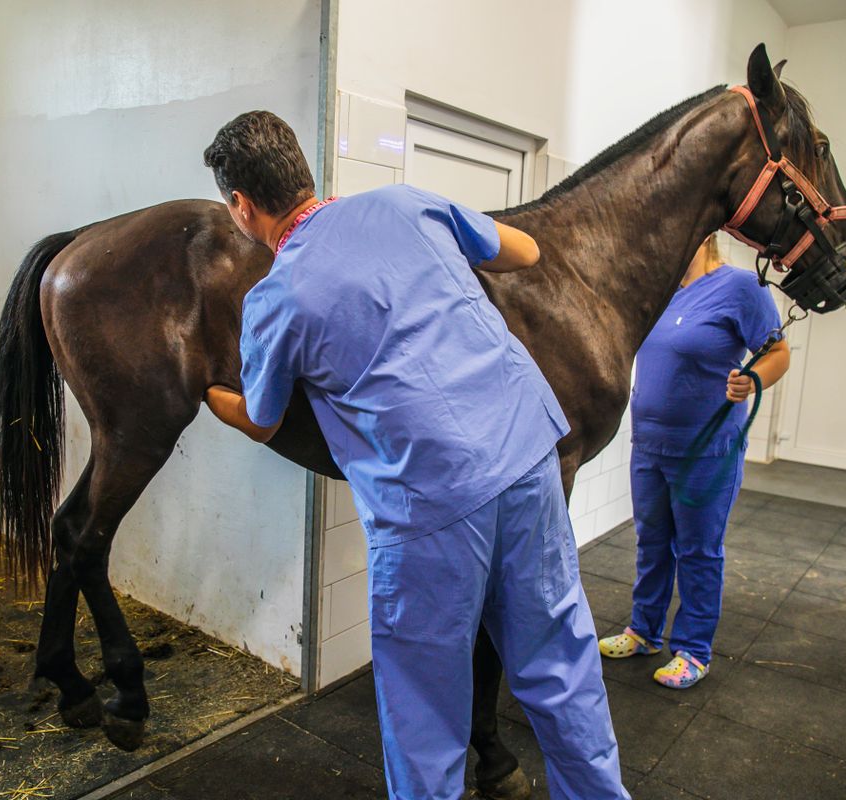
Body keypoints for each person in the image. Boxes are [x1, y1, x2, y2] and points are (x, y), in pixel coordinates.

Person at [201, 110, 629, 800]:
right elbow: (524, 252)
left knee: (425, 706)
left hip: (430, 502)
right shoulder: (404, 201)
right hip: (526, 453)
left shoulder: (275, 298)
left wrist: (207, 390)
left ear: (243, 206)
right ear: (302, 170)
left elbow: (261, 418)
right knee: (559, 661)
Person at [599, 235, 791, 688]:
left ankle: (693, 650)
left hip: (707, 450)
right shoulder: (659, 289)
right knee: (651, 543)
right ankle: (644, 631)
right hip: (649, 444)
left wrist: (751, 380)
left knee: (699, 551)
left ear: (703, 233)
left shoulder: (742, 287)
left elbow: (777, 353)